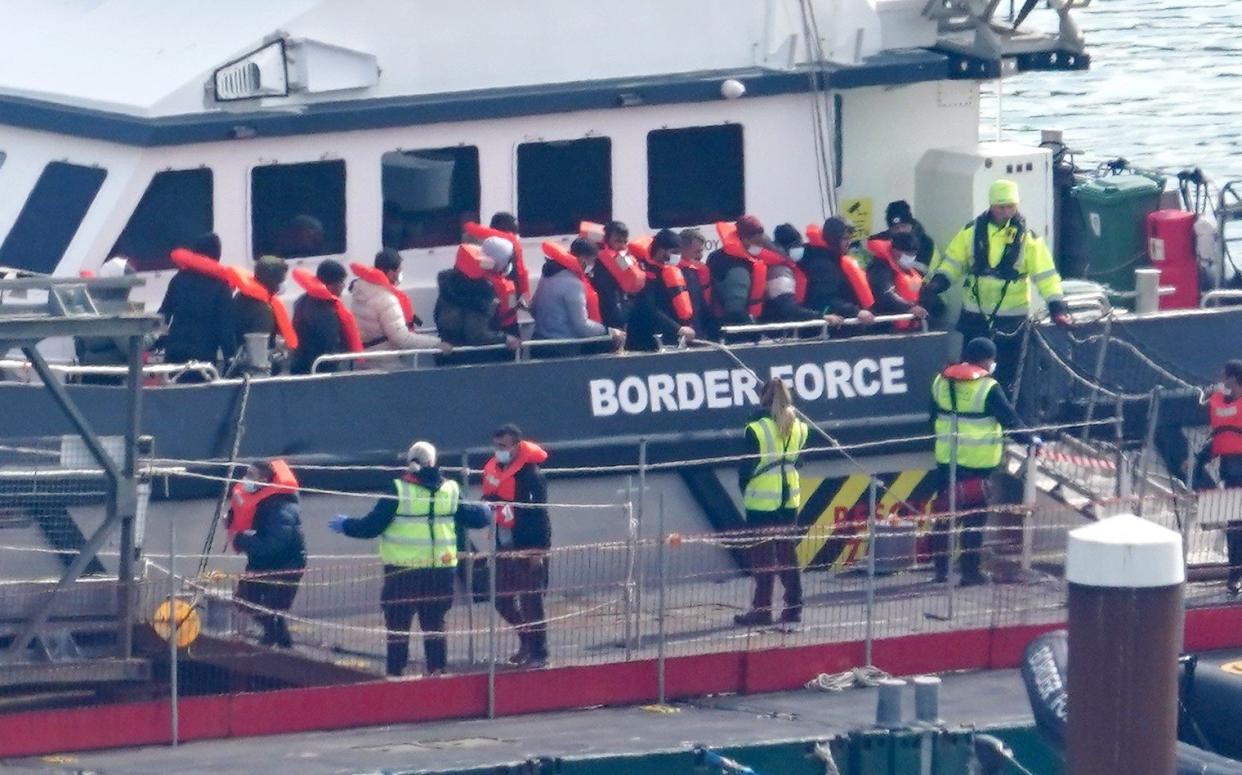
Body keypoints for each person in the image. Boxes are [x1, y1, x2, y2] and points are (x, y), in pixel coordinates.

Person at [329, 442, 487, 676]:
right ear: (434, 462)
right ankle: (437, 672)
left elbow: (371, 527)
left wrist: (346, 525)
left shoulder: (398, 490)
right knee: (434, 625)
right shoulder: (451, 489)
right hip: (440, 571)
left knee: (398, 626)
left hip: (403, 571)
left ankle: (396, 673)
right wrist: (486, 510)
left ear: (411, 463)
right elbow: (475, 518)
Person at [921, 179, 1069, 390]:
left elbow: (1046, 276)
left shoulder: (1028, 239)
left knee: (1009, 376)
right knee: (970, 373)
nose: (1007, 212)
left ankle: (1006, 416)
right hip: (975, 317)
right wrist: (936, 285)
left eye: (1012, 206)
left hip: (1011, 321)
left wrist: (1057, 307)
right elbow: (953, 264)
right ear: (991, 206)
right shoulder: (971, 233)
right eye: (1002, 207)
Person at [928, 337, 1037, 586]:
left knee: (945, 516)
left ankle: (940, 572)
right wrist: (1031, 441)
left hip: (946, 461)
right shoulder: (988, 387)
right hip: (977, 466)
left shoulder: (940, 381)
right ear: (987, 360)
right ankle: (970, 574)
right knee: (974, 522)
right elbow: (1010, 419)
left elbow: (931, 417)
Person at [735, 379, 809, 627]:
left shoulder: (756, 428)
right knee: (788, 552)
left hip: (762, 500)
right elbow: (798, 461)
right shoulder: (800, 426)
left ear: (762, 398)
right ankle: (794, 605)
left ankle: (762, 609)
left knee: (763, 556)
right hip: (789, 498)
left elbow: (745, 467)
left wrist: (745, 488)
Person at [481, 425, 550, 667]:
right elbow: (491, 499)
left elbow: (540, 516)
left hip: (525, 547)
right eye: (496, 446)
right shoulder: (496, 470)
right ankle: (526, 641)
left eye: (503, 446)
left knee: (532, 602)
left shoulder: (531, 476)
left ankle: (539, 653)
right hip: (502, 546)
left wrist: (538, 550)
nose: (498, 451)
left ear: (517, 446)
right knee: (502, 600)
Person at [228, 459, 307, 649]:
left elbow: (273, 543)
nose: (246, 479)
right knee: (245, 600)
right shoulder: (255, 497)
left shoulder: (281, 508)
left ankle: (280, 643)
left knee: (274, 608)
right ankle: (277, 638)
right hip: (261, 562)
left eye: (251, 475)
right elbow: (243, 516)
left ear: (264, 479)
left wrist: (240, 540)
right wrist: (231, 520)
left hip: (286, 564)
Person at [1192, 360, 1242, 595]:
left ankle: (1236, 576)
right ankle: (1235, 575)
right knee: (1235, 528)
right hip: (1231, 475)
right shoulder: (1221, 404)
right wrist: (1201, 458)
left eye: (1223, 377)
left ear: (1233, 379)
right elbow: (1222, 434)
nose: (1220, 382)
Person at [351, 249, 447, 368]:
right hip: (385, 364)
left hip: (365, 361)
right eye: (400, 270)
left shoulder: (360, 293)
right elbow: (401, 338)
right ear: (391, 273)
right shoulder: (386, 299)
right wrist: (437, 343)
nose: (401, 273)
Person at [159, 232, 237, 370]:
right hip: (203, 355)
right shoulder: (221, 286)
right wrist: (230, 358)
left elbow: (163, 315)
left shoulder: (178, 279)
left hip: (174, 351)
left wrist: (156, 344)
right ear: (217, 255)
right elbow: (225, 328)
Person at [530, 238, 624, 351]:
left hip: (539, 343)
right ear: (583, 259)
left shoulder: (548, 275)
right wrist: (609, 331)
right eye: (592, 260)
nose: (593, 264)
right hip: (563, 346)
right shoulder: (574, 284)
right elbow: (582, 326)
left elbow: (534, 309)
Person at [435, 238, 522, 356]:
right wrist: (505, 338)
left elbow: (437, 314)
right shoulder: (484, 289)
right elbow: (477, 334)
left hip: (450, 351)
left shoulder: (450, 280)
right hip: (479, 355)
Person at [627, 229, 703, 351]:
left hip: (669, 338)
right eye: (675, 252)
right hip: (646, 341)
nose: (677, 256)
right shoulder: (643, 271)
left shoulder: (667, 269)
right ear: (662, 250)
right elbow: (647, 308)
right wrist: (678, 329)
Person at [289, 259, 363, 374]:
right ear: (332, 284)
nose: (343, 286)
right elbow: (330, 347)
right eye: (341, 282)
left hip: (300, 368)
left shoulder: (303, 301)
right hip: (320, 373)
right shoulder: (326, 312)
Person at [802, 217, 875, 326]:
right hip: (833, 329)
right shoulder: (822, 265)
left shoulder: (834, 260)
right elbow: (826, 300)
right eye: (845, 239)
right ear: (833, 239)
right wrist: (855, 311)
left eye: (850, 238)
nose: (849, 242)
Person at [75, 256, 135, 384]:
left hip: (89, 374)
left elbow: (79, 344)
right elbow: (129, 346)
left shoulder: (91, 306)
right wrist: (151, 336)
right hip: (113, 378)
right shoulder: (115, 311)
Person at [762, 223, 836, 326]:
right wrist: (821, 316)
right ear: (782, 248)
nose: (798, 250)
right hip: (780, 331)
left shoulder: (789, 267)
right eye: (794, 247)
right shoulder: (779, 272)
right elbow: (789, 309)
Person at [582, 220, 645, 331]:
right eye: (618, 241)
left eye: (624, 242)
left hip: (620, 316)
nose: (622, 246)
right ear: (606, 240)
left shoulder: (622, 259)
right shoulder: (596, 261)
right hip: (606, 318)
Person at [232, 255, 298, 359]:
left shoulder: (240, 297)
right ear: (273, 282)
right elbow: (258, 353)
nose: (283, 284)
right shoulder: (263, 312)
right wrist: (280, 353)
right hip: (255, 370)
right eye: (281, 281)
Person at [707, 215, 768, 327]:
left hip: (718, 323)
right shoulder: (737, 267)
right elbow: (735, 309)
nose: (760, 247)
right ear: (745, 239)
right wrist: (755, 331)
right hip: (733, 329)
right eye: (757, 242)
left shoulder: (719, 256)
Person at [865, 232, 931, 327]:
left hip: (909, 325)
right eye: (908, 253)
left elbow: (919, 291)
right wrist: (910, 307)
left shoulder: (912, 271)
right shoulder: (879, 268)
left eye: (913, 254)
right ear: (895, 251)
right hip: (885, 325)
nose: (911, 257)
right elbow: (885, 295)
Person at [870, 200, 940, 272]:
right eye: (896, 228)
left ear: (911, 225)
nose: (900, 230)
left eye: (904, 226)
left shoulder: (926, 243)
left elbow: (923, 273)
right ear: (890, 229)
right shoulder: (881, 240)